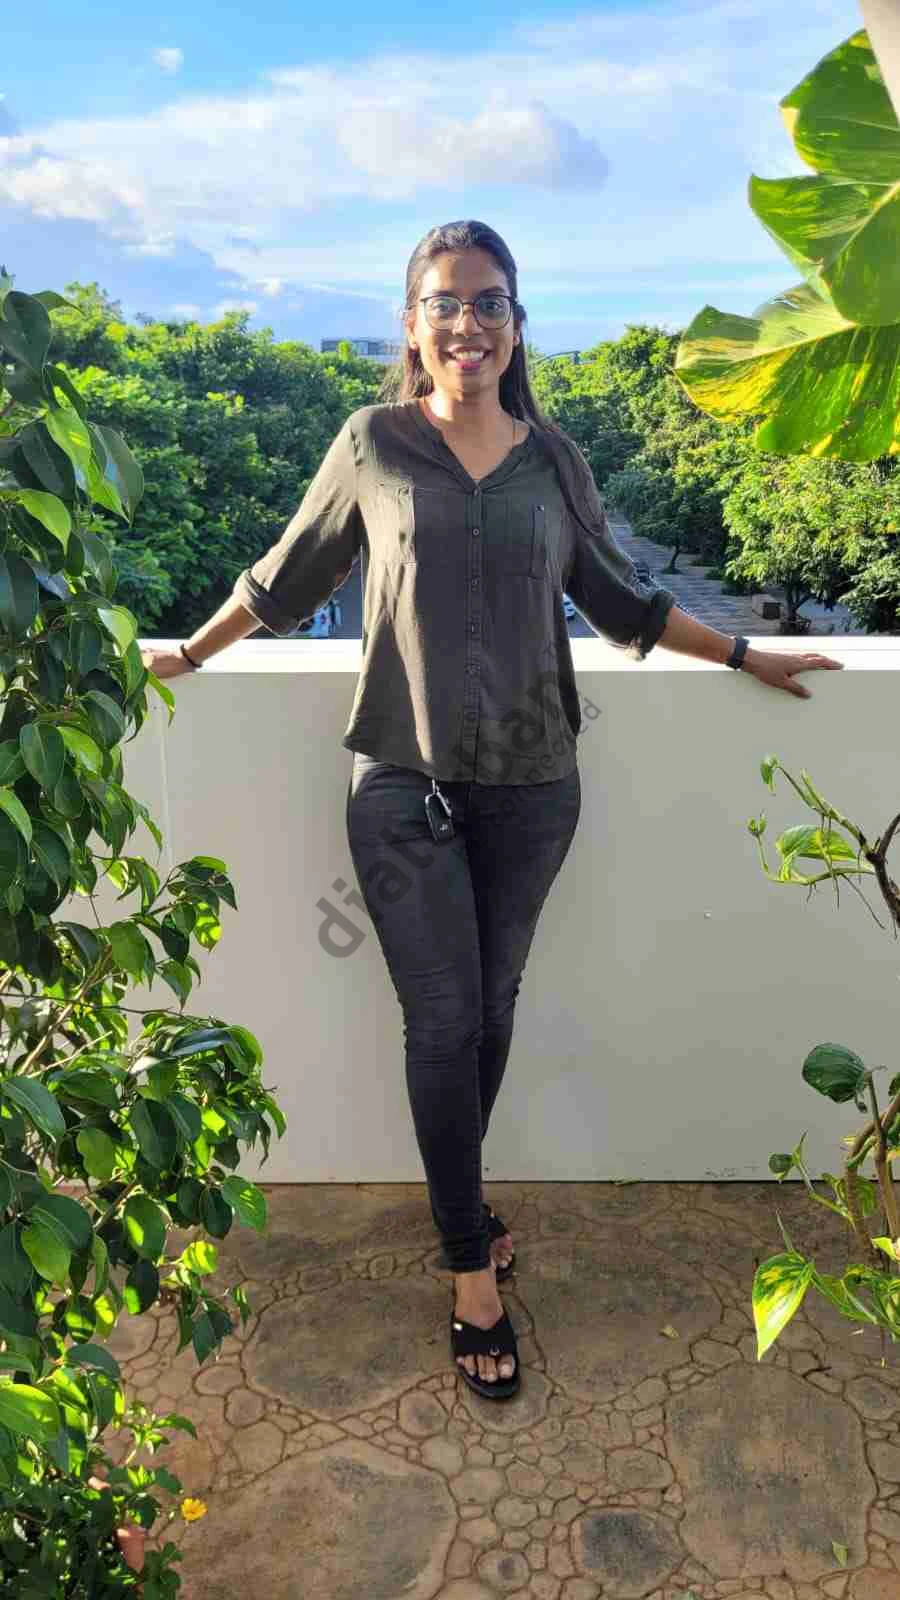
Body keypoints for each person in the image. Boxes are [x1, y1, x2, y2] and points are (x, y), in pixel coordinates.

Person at [142, 219, 844, 1403]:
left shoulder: (553, 461)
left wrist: (742, 652)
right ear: (413, 324)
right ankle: (470, 1267)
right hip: (401, 781)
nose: (467, 322)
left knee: (493, 1010)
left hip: (532, 787)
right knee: (441, 1019)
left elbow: (620, 598)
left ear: (516, 326)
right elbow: (289, 575)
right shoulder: (371, 443)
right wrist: (190, 653)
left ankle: (461, 1203)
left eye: (488, 302)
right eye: (446, 302)